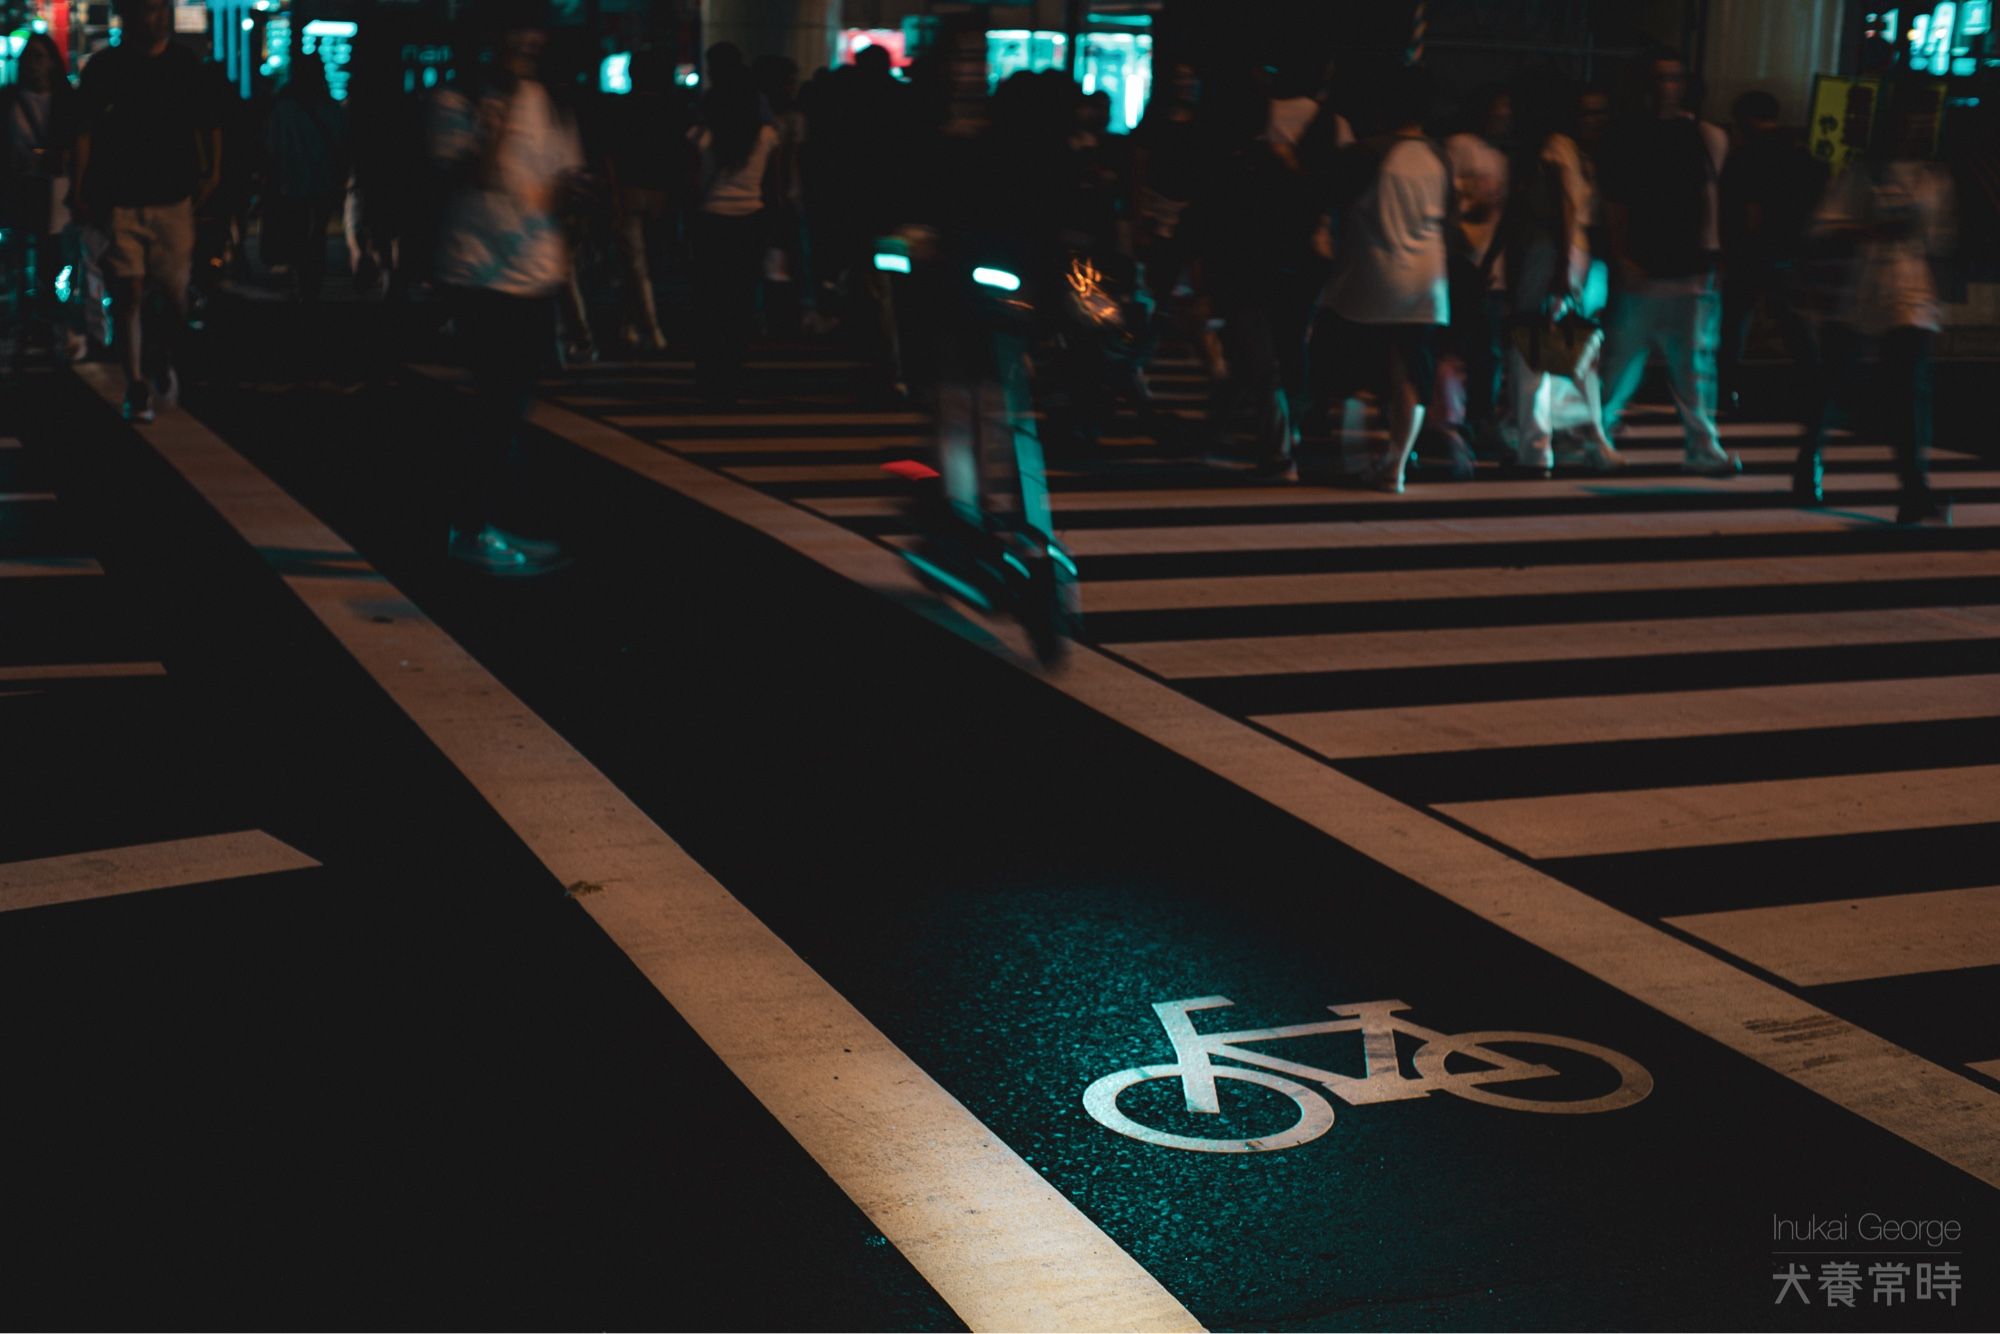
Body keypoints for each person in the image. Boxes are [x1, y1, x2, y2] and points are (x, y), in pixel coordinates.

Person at [430, 12, 580, 573]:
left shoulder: (550, 100)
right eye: (516, 25)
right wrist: (501, 105)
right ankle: (470, 527)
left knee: (510, 407)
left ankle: (484, 522)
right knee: (495, 407)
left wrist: (575, 198)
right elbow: (481, 174)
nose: (528, 38)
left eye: (533, 28)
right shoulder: (457, 101)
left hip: (535, 273)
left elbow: (559, 183)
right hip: (479, 277)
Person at [1797, 79, 1954, 525]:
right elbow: (1823, 226)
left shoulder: (1933, 177)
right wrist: (1870, 231)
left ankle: (1913, 488)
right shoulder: (1864, 173)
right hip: (1858, 290)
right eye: (1912, 115)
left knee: (1909, 391)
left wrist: (1937, 295)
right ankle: (1810, 456)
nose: (1919, 126)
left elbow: (1940, 242)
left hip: (1911, 294)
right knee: (1834, 383)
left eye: (1927, 117)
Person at [71, 0, 223, 422]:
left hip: (173, 197)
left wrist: (211, 173)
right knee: (128, 291)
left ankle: (159, 354)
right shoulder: (105, 67)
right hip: (121, 198)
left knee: (176, 293)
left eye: (159, 9)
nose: (153, 17)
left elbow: (207, 123)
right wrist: (81, 185)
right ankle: (136, 382)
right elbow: (83, 131)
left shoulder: (184, 65)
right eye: (145, 10)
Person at [1314, 65, 1452, 493]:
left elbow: (1326, 200)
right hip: (1429, 277)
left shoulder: (1366, 153)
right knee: (1409, 371)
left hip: (1371, 278)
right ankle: (1395, 465)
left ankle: (1346, 453)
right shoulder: (1438, 155)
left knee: (1337, 361)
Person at [1596, 49, 1735, 474]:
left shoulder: (1703, 135)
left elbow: (1711, 199)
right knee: (1625, 360)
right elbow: (1616, 201)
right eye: (1660, 79)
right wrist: (1621, 256)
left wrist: (1712, 254)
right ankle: (1597, 435)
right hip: (1644, 266)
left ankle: (1701, 443)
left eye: (1675, 79)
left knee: (1691, 363)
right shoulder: (1630, 134)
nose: (1668, 88)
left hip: (1688, 267)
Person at [1503, 83, 1621, 473]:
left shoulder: (1582, 153)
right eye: (1588, 112)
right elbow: (1568, 207)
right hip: (1561, 256)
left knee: (1560, 349)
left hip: (1571, 258)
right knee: (1552, 348)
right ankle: (1557, 441)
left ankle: (1549, 443)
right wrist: (1566, 268)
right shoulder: (1562, 147)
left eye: (1601, 112)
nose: (1596, 120)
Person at [1718, 89, 1825, 415]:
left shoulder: (1746, 156)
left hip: (1752, 251)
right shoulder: (1802, 153)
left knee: (1735, 322)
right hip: (1792, 249)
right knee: (1793, 323)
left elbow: (1749, 210)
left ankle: (1727, 390)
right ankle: (1815, 386)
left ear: (1746, 120)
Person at [688, 72, 779, 404]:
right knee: (740, 302)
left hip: (711, 220)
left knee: (710, 302)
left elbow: (692, 181)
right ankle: (734, 371)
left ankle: (709, 374)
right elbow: (773, 184)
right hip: (750, 220)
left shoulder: (702, 135)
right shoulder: (767, 135)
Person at [2, 32, 83, 363]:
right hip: (18, 187)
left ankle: (48, 319)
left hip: (55, 188)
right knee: (20, 259)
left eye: (39, 56)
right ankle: (25, 320)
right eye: (29, 57)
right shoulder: (9, 100)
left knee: (52, 256)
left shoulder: (66, 100)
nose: (33, 64)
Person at [1443, 83, 1513, 452]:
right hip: (1462, 264)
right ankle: (1455, 420)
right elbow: (1451, 202)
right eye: (1498, 107)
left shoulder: (1501, 157)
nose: (1504, 116)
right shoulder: (1460, 147)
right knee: (1462, 346)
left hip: (1491, 268)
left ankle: (1478, 418)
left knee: (1487, 349)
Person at [261, 55, 347, 302]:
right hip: (323, 182)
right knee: (317, 233)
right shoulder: (330, 107)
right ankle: (313, 283)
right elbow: (342, 145)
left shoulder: (283, 108)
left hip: (291, 183)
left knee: (296, 231)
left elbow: (270, 148)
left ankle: (301, 280)